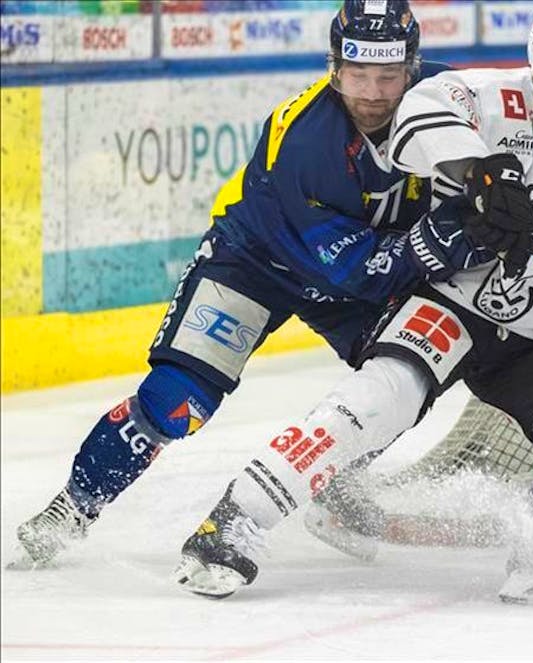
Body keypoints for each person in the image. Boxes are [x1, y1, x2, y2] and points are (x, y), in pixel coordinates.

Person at [172, 3, 533, 603]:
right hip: (448, 301)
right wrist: (480, 170)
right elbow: (418, 114)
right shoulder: (490, 99)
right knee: (380, 400)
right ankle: (233, 523)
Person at [15, 0, 486, 565]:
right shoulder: (305, 141)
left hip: (354, 270)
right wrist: (454, 235)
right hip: (257, 264)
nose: (372, 94)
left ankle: (337, 479)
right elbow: (362, 272)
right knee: (178, 400)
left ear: (412, 67)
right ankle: (74, 505)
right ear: (334, 68)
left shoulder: (452, 98)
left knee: (416, 370)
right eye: (357, 74)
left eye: (388, 76)